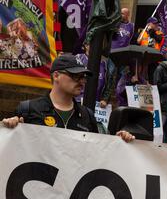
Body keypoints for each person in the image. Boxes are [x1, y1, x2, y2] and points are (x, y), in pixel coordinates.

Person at [1, 54, 135, 143]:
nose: (82, 81)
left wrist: (118, 142)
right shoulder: (28, 109)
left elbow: (97, 152)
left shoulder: (87, 116)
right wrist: (9, 126)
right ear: (56, 76)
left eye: (83, 77)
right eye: (75, 75)